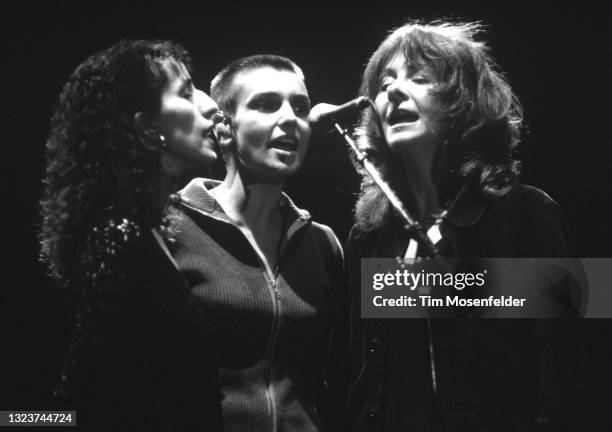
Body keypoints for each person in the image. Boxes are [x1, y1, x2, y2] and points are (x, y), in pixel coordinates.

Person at [346, 21, 585, 431]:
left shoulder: (524, 213)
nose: (393, 92)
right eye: (383, 85)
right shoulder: (370, 238)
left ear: (464, 101)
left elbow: (566, 370)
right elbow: (361, 376)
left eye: (419, 78)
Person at [38, 39, 224, 430]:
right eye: (187, 93)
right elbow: (73, 402)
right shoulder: (119, 238)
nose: (210, 105)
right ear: (146, 127)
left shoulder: (148, 233)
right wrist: (15, 422)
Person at [169, 54, 344, 431]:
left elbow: (344, 369)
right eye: (266, 104)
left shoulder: (324, 245)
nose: (289, 119)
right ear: (224, 127)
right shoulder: (167, 229)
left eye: (300, 107)